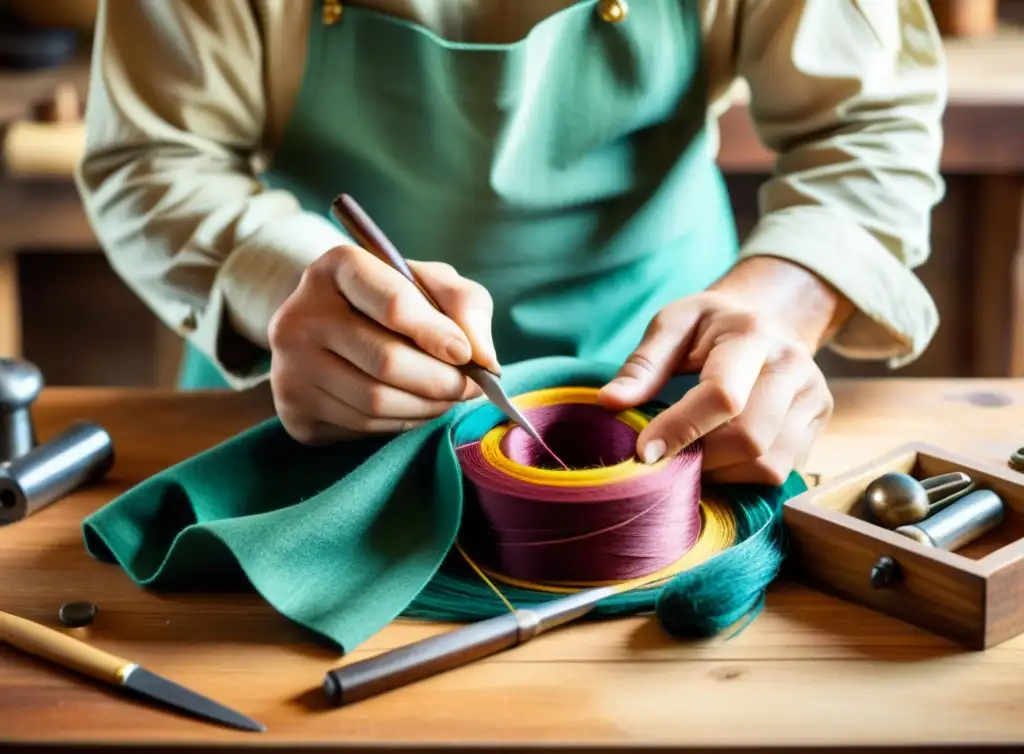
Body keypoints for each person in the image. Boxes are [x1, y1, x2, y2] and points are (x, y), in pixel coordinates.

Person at [75, 0, 947, 485]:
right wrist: (287, 283)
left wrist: (780, 303)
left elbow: (870, 123)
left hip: (674, 393)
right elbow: (154, 155)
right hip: (315, 386)